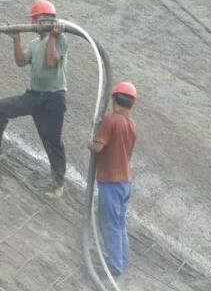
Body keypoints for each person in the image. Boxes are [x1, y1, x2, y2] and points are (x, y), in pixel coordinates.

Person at [0, 0, 69, 198]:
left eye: (44, 19)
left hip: (53, 99)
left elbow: (52, 62)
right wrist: (16, 39)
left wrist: (53, 36)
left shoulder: (61, 40)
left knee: (52, 141)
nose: (38, 22)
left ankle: (58, 184)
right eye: (38, 19)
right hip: (33, 96)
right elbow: (21, 62)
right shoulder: (34, 44)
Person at [88, 81, 138, 276]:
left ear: (114, 99)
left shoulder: (111, 121)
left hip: (111, 182)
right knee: (120, 224)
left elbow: (98, 147)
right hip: (125, 182)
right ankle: (122, 260)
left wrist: (90, 142)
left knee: (110, 224)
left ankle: (115, 266)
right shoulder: (132, 125)